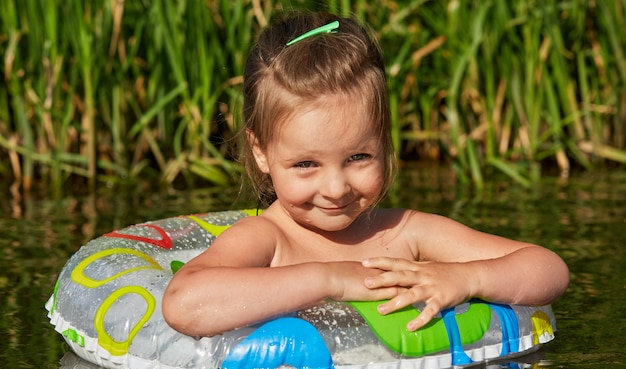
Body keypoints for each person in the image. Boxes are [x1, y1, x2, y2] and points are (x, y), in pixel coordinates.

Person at [162, 12, 569, 337]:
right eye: (306, 164)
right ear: (261, 153)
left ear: (385, 143)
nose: (336, 188)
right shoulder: (267, 241)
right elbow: (184, 302)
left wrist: (467, 277)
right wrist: (332, 279)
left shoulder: (405, 235)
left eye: (358, 157)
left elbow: (548, 268)